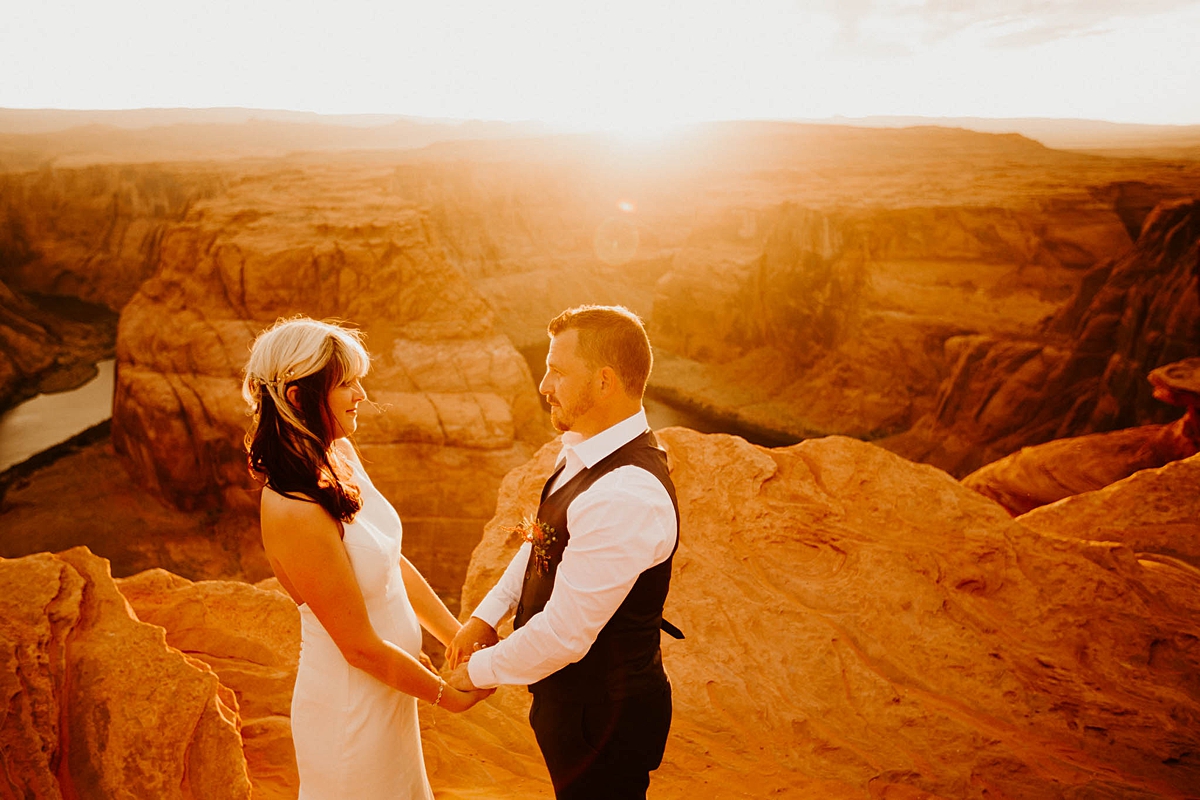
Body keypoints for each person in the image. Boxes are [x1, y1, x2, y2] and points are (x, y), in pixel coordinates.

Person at [242, 316, 491, 800]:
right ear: (298, 397)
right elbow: (356, 646)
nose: (361, 395)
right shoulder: (291, 506)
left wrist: (454, 636)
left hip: (388, 693)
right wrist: (449, 698)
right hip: (349, 712)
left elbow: (389, 560)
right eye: (348, 385)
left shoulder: (340, 454)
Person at [446, 305, 682, 800]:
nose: (543, 384)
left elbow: (564, 636)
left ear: (603, 381)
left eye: (557, 370)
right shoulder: (580, 450)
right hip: (575, 710)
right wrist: (488, 615)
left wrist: (475, 674)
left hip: (606, 721)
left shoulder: (625, 492)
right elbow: (543, 543)